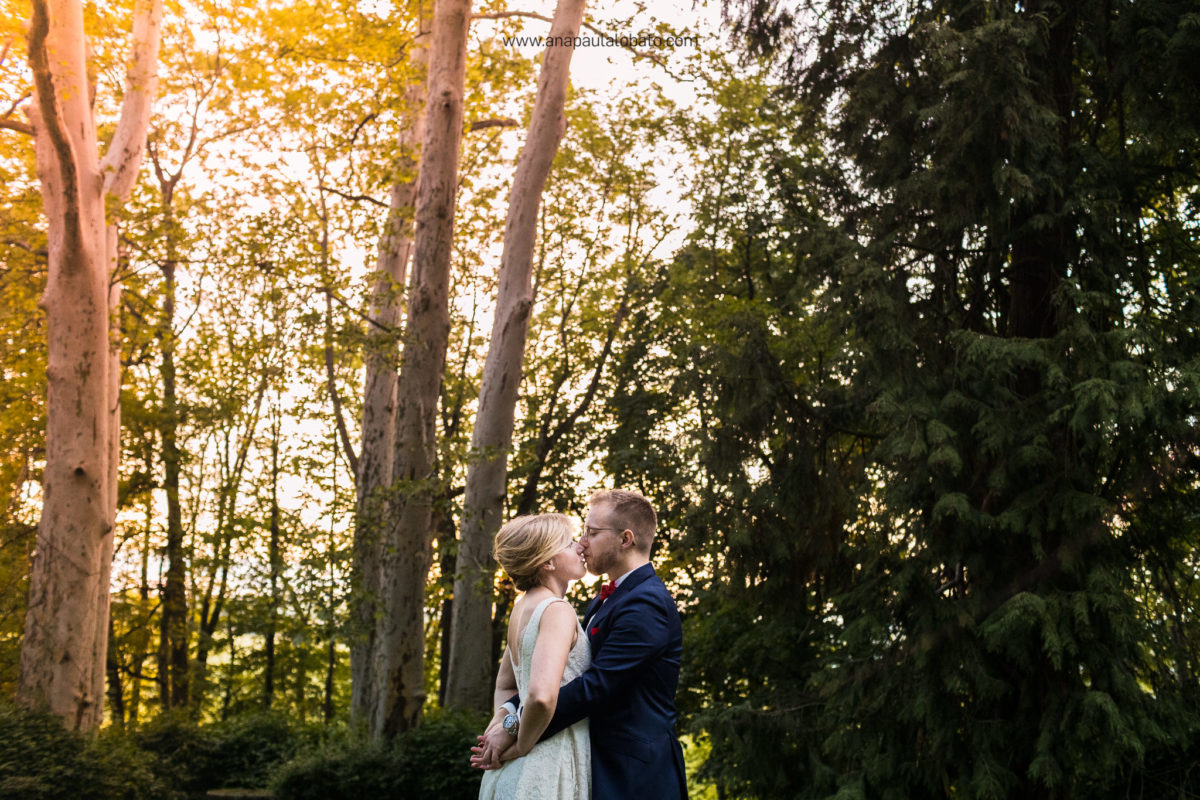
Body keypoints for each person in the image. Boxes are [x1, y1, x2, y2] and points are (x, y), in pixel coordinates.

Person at [474, 489, 688, 800]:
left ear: (625, 539)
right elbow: (556, 678)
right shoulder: (596, 602)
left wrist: (513, 728)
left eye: (592, 532)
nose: (583, 542)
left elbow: (594, 686)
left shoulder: (647, 604)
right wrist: (508, 714)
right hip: (589, 763)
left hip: (634, 775)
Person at [477, 513, 592, 800]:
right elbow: (541, 697)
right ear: (548, 562)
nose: (580, 546)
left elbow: (505, 685)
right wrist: (523, 744)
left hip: (510, 774)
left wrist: (504, 724)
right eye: (568, 543)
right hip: (546, 764)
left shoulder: (521, 609)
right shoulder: (556, 610)